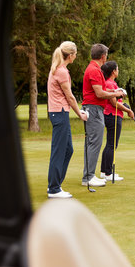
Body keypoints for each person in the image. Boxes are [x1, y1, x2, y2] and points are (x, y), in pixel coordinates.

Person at [47, 41, 88, 198]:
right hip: (60, 113)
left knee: (68, 149)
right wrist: (80, 114)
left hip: (59, 113)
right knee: (59, 151)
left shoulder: (57, 69)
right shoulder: (62, 71)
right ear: (70, 55)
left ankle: (55, 184)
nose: (76, 57)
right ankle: (54, 189)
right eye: (75, 54)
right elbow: (70, 97)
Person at [81, 44, 123, 187]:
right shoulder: (93, 70)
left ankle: (89, 175)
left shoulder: (95, 69)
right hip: (93, 109)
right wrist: (115, 93)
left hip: (95, 109)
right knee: (94, 143)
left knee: (93, 143)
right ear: (103, 56)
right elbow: (99, 93)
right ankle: (88, 177)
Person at [99, 61, 134, 181]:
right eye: (117, 69)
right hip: (112, 116)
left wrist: (124, 105)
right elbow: (113, 103)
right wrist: (128, 111)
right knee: (112, 145)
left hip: (112, 115)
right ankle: (108, 173)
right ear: (114, 71)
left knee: (110, 144)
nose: (118, 71)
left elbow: (117, 101)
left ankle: (104, 172)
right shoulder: (110, 84)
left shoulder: (112, 83)